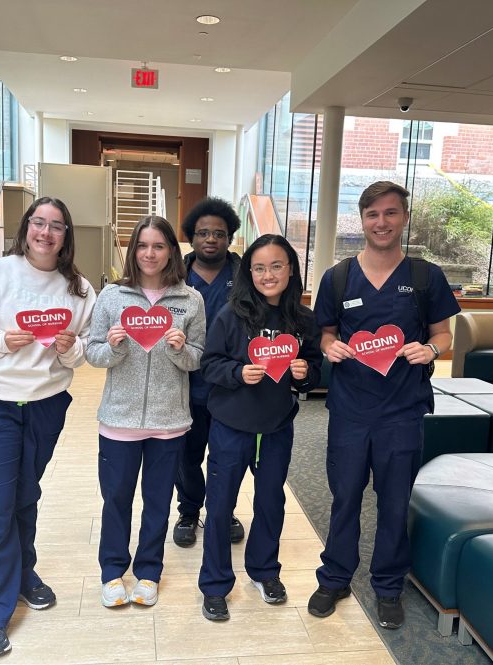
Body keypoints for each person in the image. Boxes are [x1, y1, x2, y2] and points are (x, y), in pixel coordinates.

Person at [0, 197, 96, 658]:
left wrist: (69, 347)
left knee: (26, 494)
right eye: (38, 224)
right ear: (25, 228)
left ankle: (24, 573)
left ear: (67, 235)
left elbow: (80, 354)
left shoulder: (79, 290)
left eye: (56, 227)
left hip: (46, 404)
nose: (45, 233)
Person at [307, 181, 460, 629]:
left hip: (402, 410)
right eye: (373, 214)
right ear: (362, 219)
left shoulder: (424, 276)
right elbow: (326, 333)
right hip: (351, 410)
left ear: (404, 218)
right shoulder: (337, 277)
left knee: (395, 502)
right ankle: (334, 576)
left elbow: (443, 335)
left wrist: (431, 351)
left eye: (391, 213)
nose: (382, 223)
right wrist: (331, 347)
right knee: (345, 498)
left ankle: (388, 585)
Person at [197, 234, 322, 621]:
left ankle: (265, 571)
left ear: (291, 269)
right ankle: (215, 585)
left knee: (271, 502)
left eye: (277, 265)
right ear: (249, 272)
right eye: (259, 267)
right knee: (219, 506)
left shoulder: (302, 319)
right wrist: (237, 372)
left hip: (276, 427)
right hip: (231, 425)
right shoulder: (231, 315)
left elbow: (314, 367)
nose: (268, 274)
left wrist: (304, 374)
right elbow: (209, 364)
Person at [86, 215, 205, 608]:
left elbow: (197, 360)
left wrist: (179, 349)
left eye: (158, 245)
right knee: (116, 499)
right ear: (132, 250)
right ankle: (112, 571)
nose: (149, 253)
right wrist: (116, 347)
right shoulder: (112, 297)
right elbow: (93, 352)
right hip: (118, 420)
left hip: (169, 421)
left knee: (157, 502)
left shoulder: (190, 300)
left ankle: (149, 572)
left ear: (171, 250)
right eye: (142, 245)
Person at [173, 197, 245, 548]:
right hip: (182, 384)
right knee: (186, 454)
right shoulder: (175, 275)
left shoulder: (245, 276)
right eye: (203, 233)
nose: (211, 239)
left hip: (230, 385)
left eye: (219, 233)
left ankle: (223, 509)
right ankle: (188, 509)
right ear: (191, 237)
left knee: (226, 455)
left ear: (230, 237)